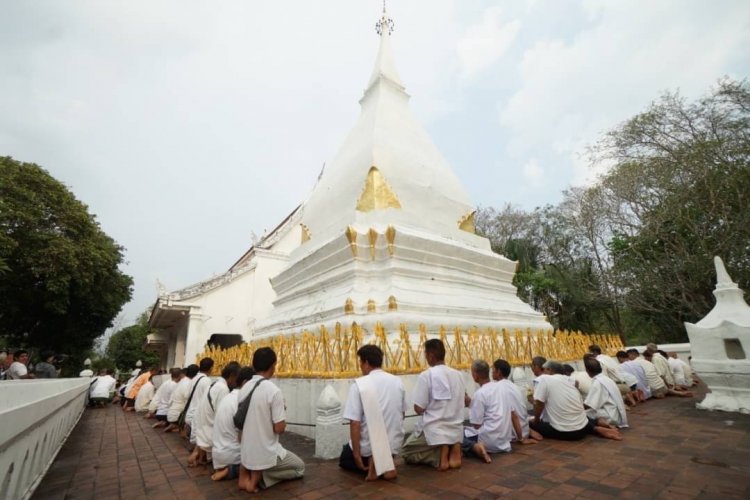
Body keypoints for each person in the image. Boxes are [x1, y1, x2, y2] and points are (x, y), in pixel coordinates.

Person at [239, 348, 304, 493]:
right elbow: (279, 429)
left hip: (246, 452)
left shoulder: (244, 388)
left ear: (254, 365)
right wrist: (282, 411)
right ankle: (262, 477)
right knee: (300, 467)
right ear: (273, 365)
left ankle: (248, 475)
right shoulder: (273, 391)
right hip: (266, 452)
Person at [340, 345, 406, 481]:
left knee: (345, 457)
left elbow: (355, 423)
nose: (360, 366)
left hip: (369, 448)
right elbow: (402, 415)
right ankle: (385, 462)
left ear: (366, 363)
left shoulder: (359, 384)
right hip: (392, 446)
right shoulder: (397, 382)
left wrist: (357, 455)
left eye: (360, 362)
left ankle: (373, 462)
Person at [401, 339, 466, 471]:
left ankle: (439, 454)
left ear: (430, 356)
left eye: (425, 355)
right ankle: (453, 446)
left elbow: (418, 409)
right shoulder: (459, 375)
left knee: (406, 451)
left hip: (434, 429)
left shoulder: (427, 375)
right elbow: (466, 399)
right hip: (455, 428)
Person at [530, 360, 622, 441]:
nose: (543, 372)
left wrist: (536, 420)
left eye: (544, 369)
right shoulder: (571, 380)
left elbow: (539, 404)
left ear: (550, 370)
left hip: (568, 433)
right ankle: (595, 428)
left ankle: (529, 432)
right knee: (576, 415)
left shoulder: (544, 379)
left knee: (528, 423)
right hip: (584, 427)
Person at [190, 361, 241, 468]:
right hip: (211, 435)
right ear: (232, 376)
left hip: (203, 431)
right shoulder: (223, 389)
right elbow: (222, 417)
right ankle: (200, 454)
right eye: (237, 379)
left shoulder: (214, 384)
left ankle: (199, 453)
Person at [462, 360, 512, 463]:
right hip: (505, 440)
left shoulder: (480, 393)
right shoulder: (501, 388)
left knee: (454, 435)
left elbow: (476, 424)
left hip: (489, 441)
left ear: (475, 374)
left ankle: (475, 447)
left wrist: (470, 405)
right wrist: (472, 403)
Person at [211, 366, 255, 481]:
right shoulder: (242, 400)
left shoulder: (227, 397)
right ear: (245, 383)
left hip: (218, 454)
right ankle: (232, 470)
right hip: (232, 456)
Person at [492, 359, 542, 443]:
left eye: (493, 370)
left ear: (499, 372)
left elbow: (513, 414)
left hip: (513, 434)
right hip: (524, 429)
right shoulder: (514, 386)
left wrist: (521, 438)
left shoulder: (497, 388)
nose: (491, 373)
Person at [583, 357, 629, 429]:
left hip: (611, 415)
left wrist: (576, 407)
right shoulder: (606, 379)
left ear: (587, 371)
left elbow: (590, 404)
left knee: (581, 415)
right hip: (615, 413)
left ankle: (603, 425)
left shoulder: (598, 382)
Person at [185, 357, 214, 442]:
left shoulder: (193, 379)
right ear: (211, 368)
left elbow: (186, 395)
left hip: (189, 413)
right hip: (197, 417)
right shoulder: (207, 381)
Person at [165, 365, 198, 433]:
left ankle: (173, 425)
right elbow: (187, 398)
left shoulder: (180, 382)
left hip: (170, 413)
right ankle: (179, 428)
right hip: (177, 416)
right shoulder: (188, 382)